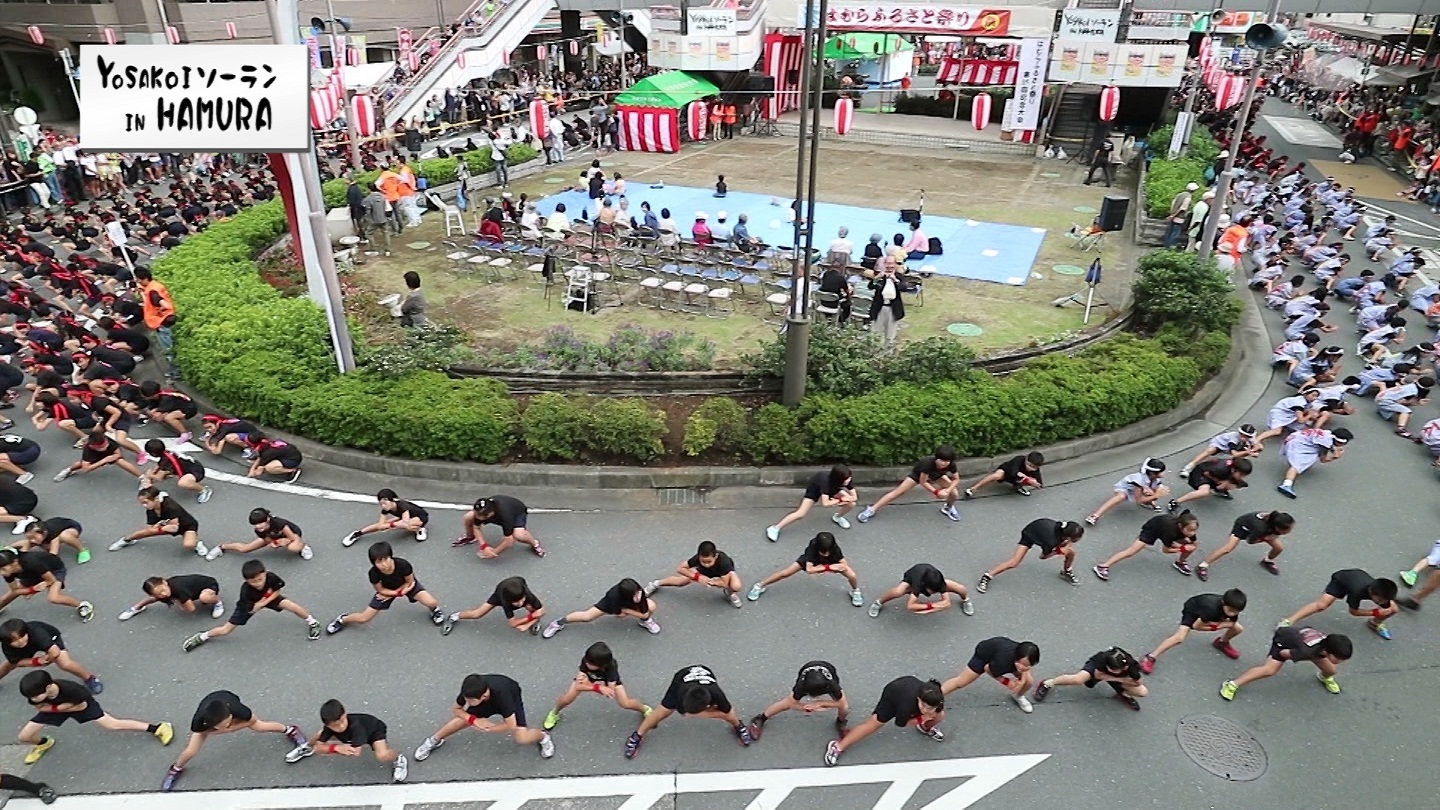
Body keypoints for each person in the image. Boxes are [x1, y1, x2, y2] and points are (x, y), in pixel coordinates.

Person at [162, 690, 311, 791]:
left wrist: (232, 728)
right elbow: (202, 731)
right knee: (191, 750)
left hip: (228, 697)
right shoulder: (198, 721)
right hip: (210, 715)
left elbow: (251, 720)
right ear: (212, 724)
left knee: (260, 726)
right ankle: (176, 768)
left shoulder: (238, 711)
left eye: (230, 720)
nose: (229, 723)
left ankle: (290, 730)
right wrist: (222, 731)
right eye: (225, 723)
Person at [16, 670, 172, 765]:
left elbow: (81, 706)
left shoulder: (72, 690)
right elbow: (39, 706)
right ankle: (44, 743)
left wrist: (56, 708)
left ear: (49, 687)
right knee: (24, 736)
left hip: (79, 705)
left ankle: (158, 728)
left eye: (36, 695)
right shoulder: (36, 695)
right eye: (31, 697)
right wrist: (57, 708)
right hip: (56, 709)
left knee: (112, 724)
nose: (34, 699)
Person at [182, 559, 322, 651]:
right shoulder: (246, 591)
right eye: (253, 581)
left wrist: (266, 600)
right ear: (246, 581)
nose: (258, 583)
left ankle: (313, 622)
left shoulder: (271, 577)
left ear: (265, 574)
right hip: (248, 607)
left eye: (260, 579)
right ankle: (203, 636)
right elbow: (254, 608)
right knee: (226, 630)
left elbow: (277, 589)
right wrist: (260, 604)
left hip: (266, 598)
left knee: (291, 605)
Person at [413, 673, 554, 761]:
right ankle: (434, 740)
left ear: (484, 695)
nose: (467, 703)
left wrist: (488, 728)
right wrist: (474, 720)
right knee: (461, 721)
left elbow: (510, 724)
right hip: (487, 702)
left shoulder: (503, 697)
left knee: (521, 738)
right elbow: (455, 709)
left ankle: (543, 736)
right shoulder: (470, 691)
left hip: (511, 697)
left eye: (470, 701)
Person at [624, 664, 751, 759]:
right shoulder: (681, 692)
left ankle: (738, 726)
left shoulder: (716, 693)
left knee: (729, 715)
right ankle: (638, 735)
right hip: (681, 678)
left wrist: (706, 714)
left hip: (705, 676)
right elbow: (684, 713)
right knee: (664, 709)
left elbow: (727, 711)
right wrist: (710, 714)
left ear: (708, 704)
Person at [325, 541, 446, 634]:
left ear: (391, 557)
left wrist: (404, 590)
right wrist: (396, 593)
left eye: (386, 559)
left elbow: (410, 581)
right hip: (388, 591)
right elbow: (380, 590)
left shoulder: (403, 564)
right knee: (364, 618)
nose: (384, 564)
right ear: (373, 563)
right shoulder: (373, 573)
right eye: (379, 562)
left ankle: (434, 611)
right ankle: (342, 620)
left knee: (432, 602)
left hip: (407, 586)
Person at [823, 676, 944, 766]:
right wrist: (921, 718)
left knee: (939, 716)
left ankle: (925, 727)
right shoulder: (906, 706)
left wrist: (927, 717)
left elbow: (934, 711)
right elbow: (901, 723)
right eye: (923, 705)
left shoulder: (937, 701)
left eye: (930, 708)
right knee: (873, 725)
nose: (925, 709)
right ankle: (837, 747)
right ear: (919, 699)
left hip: (908, 688)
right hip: (894, 695)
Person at [1219, 627, 1352, 700]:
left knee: (1331, 671)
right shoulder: (1307, 651)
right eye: (1339, 658)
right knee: (1269, 670)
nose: (1341, 662)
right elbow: (1284, 654)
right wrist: (1303, 657)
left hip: (1306, 646)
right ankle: (1232, 685)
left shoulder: (1326, 642)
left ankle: (1324, 677)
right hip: (1283, 643)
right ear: (1329, 651)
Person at [542, 641, 650, 731]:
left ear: (602, 665)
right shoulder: (587, 660)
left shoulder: (611, 667)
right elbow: (579, 686)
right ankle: (554, 713)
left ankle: (645, 709)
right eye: (587, 661)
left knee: (625, 703)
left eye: (591, 664)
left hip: (608, 681)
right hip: (590, 677)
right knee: (566, 699)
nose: (587, 664)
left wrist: (595, 686)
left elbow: (610, 692)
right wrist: (598, 687)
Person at [1138, 588, 1247, 674]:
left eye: (1236, 611)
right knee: (1179, 637)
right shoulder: (1211, 609)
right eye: (1230, 611)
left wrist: (1222, 624)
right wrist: (1215, 627)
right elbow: (1196, 626)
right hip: (1193, 610)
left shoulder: (1232, 608)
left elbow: (1232, 623)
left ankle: (1222, 642)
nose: (1233, 614)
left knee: (1238, 629)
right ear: (1223, 603)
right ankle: (1150, 657)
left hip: (1211, 615)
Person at [748, 531, 864, 607]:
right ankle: (759, 585)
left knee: (852, 575)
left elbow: (844, 564)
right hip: (814, 562)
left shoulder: (834, 548)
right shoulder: (812, 548)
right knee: (785, 573)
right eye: (823, 552)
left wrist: (835, 567)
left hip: (830, 563)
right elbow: (809, 569)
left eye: (828, 551)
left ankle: (855, 591)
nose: (825, 554)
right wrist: (828, 567)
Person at [302, 699, 407, 783]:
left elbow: (356, 752)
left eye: (342, 721)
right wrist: (336, 747)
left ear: (345, 715)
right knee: (320, 735)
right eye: (335, 726)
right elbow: (318, 748)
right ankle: (305, 746)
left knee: (381, 755)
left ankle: (399, 758)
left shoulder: (356, 727)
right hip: (348, 736)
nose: (341, 727)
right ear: (328, 725)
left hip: (373, 730)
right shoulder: (329, 728)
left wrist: (331, 749)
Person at [1281, 568, 1399, 640]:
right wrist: (1376, 611)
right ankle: (1289, 620)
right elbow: (1353, 612)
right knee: (1322, 605)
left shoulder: (1381, 594)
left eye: (1385, 600)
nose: (1383, 603)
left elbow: (1387, 604)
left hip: (1358, 578)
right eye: (1381, 600)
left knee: (1393, 609)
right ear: (1372, 594)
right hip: (1341, 581)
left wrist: (1383, 610)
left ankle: (1374, 623)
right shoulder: (1357, 591)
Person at [857, 446, 960, 523]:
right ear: (936, 458)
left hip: (937, 476)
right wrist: (936, 492)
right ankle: (871, 509)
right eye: (941, 460)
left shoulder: (951, 465)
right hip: (918, 476)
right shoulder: (927, 463)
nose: (944, 463)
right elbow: (923, 482)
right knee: (898, 492)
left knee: (954, 493)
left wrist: (948, 490)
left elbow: (956, 479)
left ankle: (948, 508)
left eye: (947, 461)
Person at [977, 518, 1084, 592]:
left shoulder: (1062, 527)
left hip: (1038, 527)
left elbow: (1068, 542)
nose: (1078, 540)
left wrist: (1066, 547)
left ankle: (1067, 571)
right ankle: (987, 576)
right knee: (1014, 562)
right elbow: (1042, 557)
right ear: (1068, 537)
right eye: (1076, 539)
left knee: (1071, 552)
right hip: (1029, 534)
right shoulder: (1051, 541)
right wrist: (1058, 551)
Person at [939, 637, 1041, 713]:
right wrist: (1008, 682)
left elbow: (1024, 668)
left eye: (1026, 665)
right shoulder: (1003, 661)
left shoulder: (1024, 654)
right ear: (1016, 657)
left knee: (1029, 682)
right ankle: (935, 697)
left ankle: (1018, 696)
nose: (1022, 667)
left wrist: (1022, 681)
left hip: (1001, 655)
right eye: (1020, 663)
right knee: (961, 682)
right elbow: (988, 669)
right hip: (984, 656)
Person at [1092, 510, 1200, 581]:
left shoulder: (1188, 531)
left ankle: (1180, 562)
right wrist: (1182, 548)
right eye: (1190, 530)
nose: (1192, 533)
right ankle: (1102, 566)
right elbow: (1165, 550)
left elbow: (1193, 543)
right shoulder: (1170, 532)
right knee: (1132, 551)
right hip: (1153, 528)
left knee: (1192, 545)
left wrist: (1187, 546)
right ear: (1181, 526)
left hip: (1168, 530)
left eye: (1194, 530)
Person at [0, 618, 101, 692]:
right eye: (14, 641)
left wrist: (47, 660)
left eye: (22, 636)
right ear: (7, 642)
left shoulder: (37, 633)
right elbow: (16, 661)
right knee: (8, 664)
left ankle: (90, 678)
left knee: (64, 663)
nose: (20, 641)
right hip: (29, 646)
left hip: (51, 638)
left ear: (26, 631)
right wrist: (36, 661)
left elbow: (54, 652)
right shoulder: (7, 646)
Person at [1032, 646, 1147, 711]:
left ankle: (1123, 693)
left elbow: (1138, 682)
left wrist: (1115, 678)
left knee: (1142, 692)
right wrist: (1108, 676)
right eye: (1116, 670)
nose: (1120, 671)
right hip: (1097, 670)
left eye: (1121, 669)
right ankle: (1048, 683)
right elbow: (1098, 675)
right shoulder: (1102, 660)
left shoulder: (1129, 665)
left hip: (1112, 677)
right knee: (1078, 679)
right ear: (1108, 666)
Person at [542, 578, 660, 638]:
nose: (638, 596)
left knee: (652, 606)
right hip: (613, 605)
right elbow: (618, 613)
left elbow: (644, 612)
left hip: (627, 606)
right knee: (587, 617)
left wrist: (641, 615)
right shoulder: (613, 596)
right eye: (634, 595)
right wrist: (625, 611)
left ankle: (645, 622)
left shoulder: (638, 591)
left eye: (638, 593)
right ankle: (558, 623)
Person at [0, 547, 93, 622]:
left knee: (53, 597)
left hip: (53, 571)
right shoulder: (7, 573)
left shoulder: (31, 562)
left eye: (3, 569)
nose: (1, 573)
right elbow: (15, 590)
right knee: (10, 594)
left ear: (15, 562)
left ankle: (82, 605)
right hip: (33, 574)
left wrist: (37, 588)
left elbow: (51, 580)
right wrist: (32, 590)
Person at [643, 540, 743, 609]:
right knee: (680, 582)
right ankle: (656, 584)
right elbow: (680, 568)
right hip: (702, 573)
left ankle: (729, 593)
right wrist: (697, 577)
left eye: (709, 561)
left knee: (735, 586)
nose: (706, 564)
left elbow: (724, 583)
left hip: (723, 573)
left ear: (715, 556)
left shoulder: (724, 562)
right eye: (703, 561)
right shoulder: (697, 559)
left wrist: (710, 582)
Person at [1196, 511, 1295, 580]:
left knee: (1279, 548)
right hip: (1242, 526)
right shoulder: (1261, 528)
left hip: (1260, 531)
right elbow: (1250, 541)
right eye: (1287, 530)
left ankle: (1267, 561)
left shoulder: (1274, 519)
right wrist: (1264, 539)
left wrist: (1269, 537)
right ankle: (1203, 565)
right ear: (1277, 528)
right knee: (1228, 548)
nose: (1290, 531)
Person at [767, 465, 857, 540]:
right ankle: (775, 528)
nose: (849, 480)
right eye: (846, 479)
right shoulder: (825, 481)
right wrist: (840, 500)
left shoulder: (846, 479)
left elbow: (854, 497)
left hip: (832, 489)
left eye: (849, 478)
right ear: (839, 478)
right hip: (815, 491)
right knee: (801, 513)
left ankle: (837, 517)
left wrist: (845, 500)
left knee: (852, 503)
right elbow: (825, 503)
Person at [112, 487, 207, 557]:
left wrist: (159, 527)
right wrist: (154, 528)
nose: (144, 505)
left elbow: (174, 528)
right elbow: (150, 527)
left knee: (188, 544)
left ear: (156, 499)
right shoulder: (151, 509)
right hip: (167, 525)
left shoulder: (171, 507)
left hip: (186, 526)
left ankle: (197, 543)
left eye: (146, 502)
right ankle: (127, 540)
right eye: (142, 503)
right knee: (145, 531)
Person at [442, 575, 544, 636]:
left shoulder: (527, 595)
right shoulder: (505, 601)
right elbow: (513, 623)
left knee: (532, 608)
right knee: (477, 614)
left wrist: (528, 623)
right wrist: (532, 616)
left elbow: (542, 610)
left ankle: (534, 623)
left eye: (522, 600)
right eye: (516, 603)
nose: (520, 604)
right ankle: (454, 617)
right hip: (499, 594)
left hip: (514, 588)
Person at [866, 562, 974, 618]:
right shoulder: (917, 585)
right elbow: (911, 606)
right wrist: (931, 606)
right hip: (912, 576)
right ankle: (879, 602)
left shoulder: (938, 582)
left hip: (928, 577)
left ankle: (965, 600)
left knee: (960, 588)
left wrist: (941, 605)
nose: (932, 593)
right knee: (899, 591)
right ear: (925, 586)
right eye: (931, 591)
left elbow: (947, 602)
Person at [1085, 457, 1170, 525]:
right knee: (1121, 496)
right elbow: (1138, 500)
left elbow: (1156, 488)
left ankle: (1149, 502)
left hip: (1141, 489)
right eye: (1162, 471)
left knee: (1153, 495)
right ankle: (1095, 515)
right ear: (1152, 473)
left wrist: (1156, 494)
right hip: (1125, 488)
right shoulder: (1139, 481)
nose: (1164, 473)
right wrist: (1156, 495)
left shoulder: (1155, 479)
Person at [454, 495, 546, 558]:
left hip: (517, 512)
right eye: (477, 514)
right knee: (468, 517)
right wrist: (484, 546)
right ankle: (470, 537)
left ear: (492, 512)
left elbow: (509, 541)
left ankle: (535, 543)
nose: (480, 518)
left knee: (519, 534)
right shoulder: (481, 513)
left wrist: (493, 552)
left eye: (484, 516)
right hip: (496, 512)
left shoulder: (505, 515)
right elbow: (476, 527)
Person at [207, 507, 312, 561]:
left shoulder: (279, 523)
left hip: (291, 535)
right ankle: (222, 547)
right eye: (255, 524)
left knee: (293, 547)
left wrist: (285, 541)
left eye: (260, 523)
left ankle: (304, 547)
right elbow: (266, 539)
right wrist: (273, 543)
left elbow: (292, 537)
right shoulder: (258, 530)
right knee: (245, 549)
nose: (258, 526)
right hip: (275, 537)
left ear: (267, 519)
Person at [1276, 427, 1353, 499]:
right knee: (1296, 466)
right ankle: (1286, 485)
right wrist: (1335, 456)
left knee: (1308, 457)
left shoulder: (1327, 434)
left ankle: (1293, 469)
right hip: (1297, 444)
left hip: (1295, 438)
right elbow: (1323, 459)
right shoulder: (1325, 442)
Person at [343, 488, 429, 547]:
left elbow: (405, 523)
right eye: (381, 504)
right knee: (384, 525)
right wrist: (387, 525)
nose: (383, 506)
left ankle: (419, 529)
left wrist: (391, 525)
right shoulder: (385, 509)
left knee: (408, 526)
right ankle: (357, 534)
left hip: (420, 517)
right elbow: (380, 525)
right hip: (403, 518)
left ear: (392, 500)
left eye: (385, 503)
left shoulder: (403, 505)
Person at [119, 573, 225, 621]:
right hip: (190, 592)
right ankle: (136, 608)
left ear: (164, 582)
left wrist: (180, 603)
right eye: (158, 594)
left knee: (205, 598)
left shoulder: (178, 588)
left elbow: (191, 609)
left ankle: (217, 602)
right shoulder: (164, 591)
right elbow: (156, 597)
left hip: (208, 586)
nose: (163, 594)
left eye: (163, 590)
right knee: (155, 599)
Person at [132, 266, 176, 378]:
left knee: (169, 350)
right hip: (164, 321)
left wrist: (161, 310)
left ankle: (175, 373)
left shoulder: (152, 292)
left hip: (161, 323)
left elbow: (164, 304)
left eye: (139, 280)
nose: (138, 282)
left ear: (145, 278)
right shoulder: (155, 286)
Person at [140, 439, 213, 504]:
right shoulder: (167, 453)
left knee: (183, 483)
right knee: (164, 472)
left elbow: (159, 478)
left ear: (153, 454)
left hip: (195, 472)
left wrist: (149, 475)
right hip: (195, 466)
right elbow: (160, 466)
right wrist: (154, 472)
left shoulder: (165, 461)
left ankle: (204, 489)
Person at [1167, 457, 1252, 511]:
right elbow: (1207, 473)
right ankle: (1175, 502)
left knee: (1235, 484)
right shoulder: (1220, 469)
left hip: (1216, 475)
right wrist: (1220, 482)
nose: (1242, 477)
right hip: (1201, 473)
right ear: (1234, 470)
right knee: (1204, 492)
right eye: (1241, 475)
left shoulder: (1232, 467)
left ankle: (1220, 490)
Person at [1177, 424, 1262, 477]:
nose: (1244, 438)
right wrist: (1249, 452)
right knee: (1209, 451)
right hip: (1220, 444)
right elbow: (1234, 454)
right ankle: (1189, 467)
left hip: (1234, 448)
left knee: (1233, 459)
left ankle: (1230, 470)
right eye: (1242, 435)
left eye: (1247, 436)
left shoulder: (1251, 438)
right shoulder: (1233, 438)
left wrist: (1253, 450)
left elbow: (1259, 446)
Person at [963, 452, 1045, 498]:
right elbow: (1013, 472)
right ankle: (973, 488)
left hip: (1017, 478)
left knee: (1029, 480)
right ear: (1026, 459)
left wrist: (1033, 483)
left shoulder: (1035, 470)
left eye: (1033, 467)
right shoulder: (1019, 459)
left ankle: (1018, 487)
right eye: (1029, 465)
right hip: (1006, 472)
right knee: (996, 476)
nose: (1030, 468)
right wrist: (1026, 478)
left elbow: (1040, 484)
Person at [19, 517, 90, 565]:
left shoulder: (53, 533)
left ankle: (83, 550)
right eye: (29, 538)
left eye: (33, 537)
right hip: (51, 534)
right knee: (42, 545)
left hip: (71, 527)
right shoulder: (39, 535)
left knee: (65, 536)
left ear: (43, 532)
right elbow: (25, 542)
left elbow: (53, 554)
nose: (32, 540)